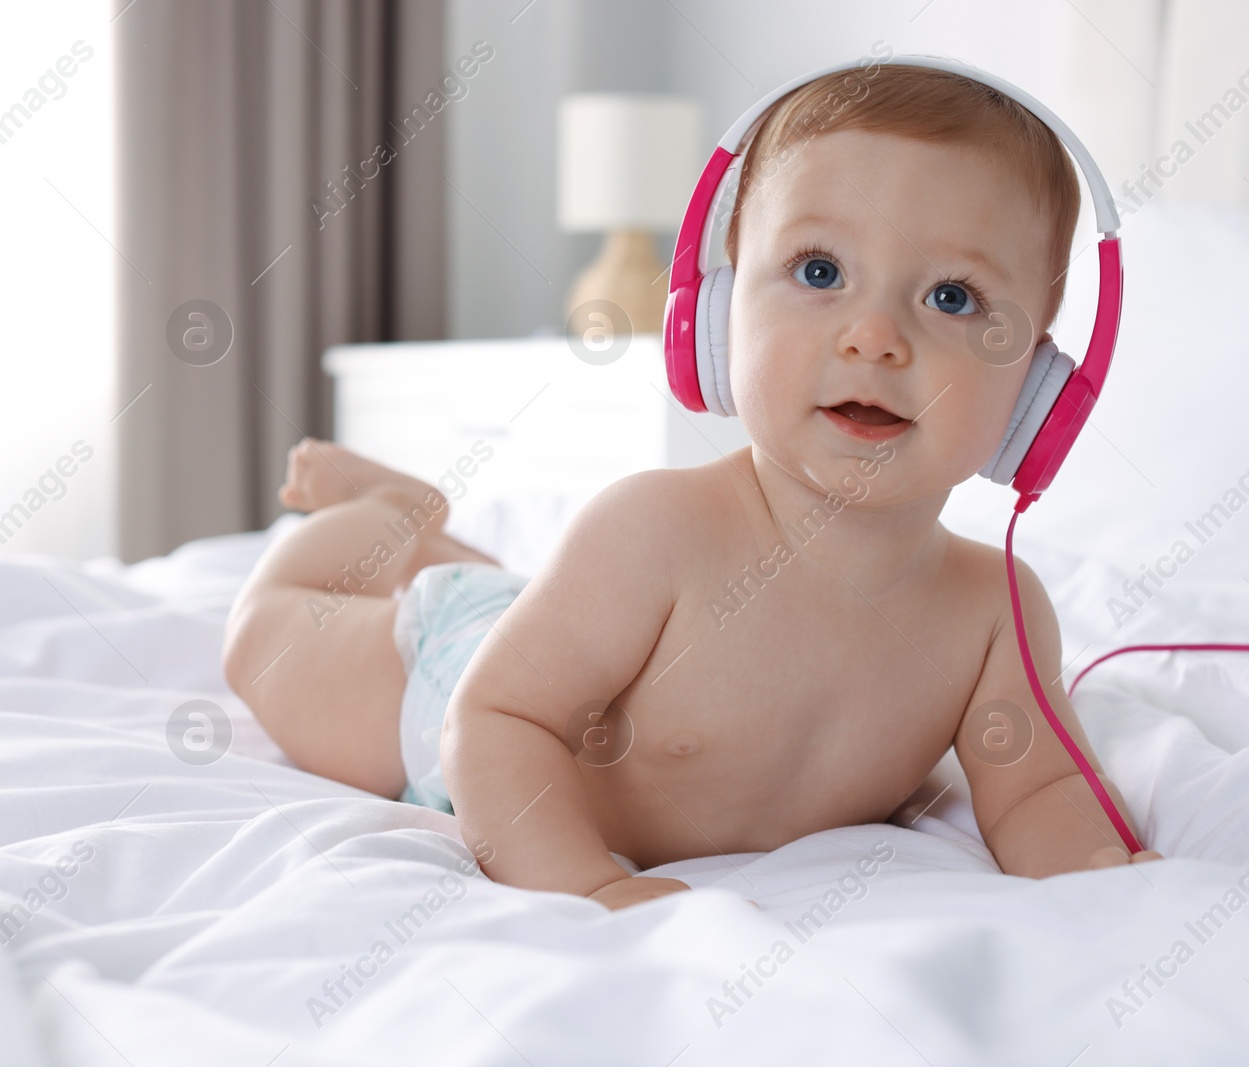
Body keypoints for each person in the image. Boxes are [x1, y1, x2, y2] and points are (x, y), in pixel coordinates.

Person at [222, 64, 1162, 913]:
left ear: (1038, 389)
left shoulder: (996, 610)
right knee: (262, 645)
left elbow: (1038, 786)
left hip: (568, 641)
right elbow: (498, 715)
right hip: (455, 687)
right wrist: (585, 886)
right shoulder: (656, 529)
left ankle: (436, 540)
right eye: (820, 271)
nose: (875, 336)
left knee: (550, 619)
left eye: (953, 296)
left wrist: (1095, 879)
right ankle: (386, 516)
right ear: (715, 317)